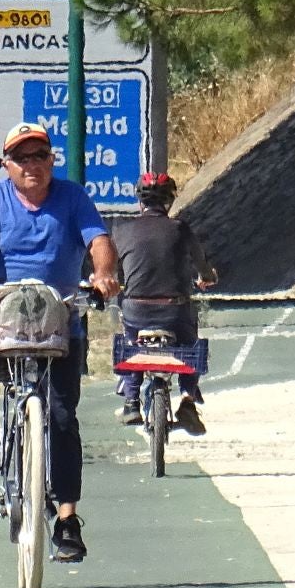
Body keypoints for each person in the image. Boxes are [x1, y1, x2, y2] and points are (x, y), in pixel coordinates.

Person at [0, 122, 120, 563]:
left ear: (52, 160)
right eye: (21, 158)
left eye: (40, 156)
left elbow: (98, 241)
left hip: (59, 314)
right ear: (7, 165)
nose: (31, 165)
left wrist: (104, 275)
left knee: (62, 418)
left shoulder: (73, 197)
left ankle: (68, 519)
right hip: (0, 309)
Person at [115, 172, 217, 434]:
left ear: (140, 201)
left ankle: (131, 401)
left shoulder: (122, 231)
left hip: (136, 309)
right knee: (190, 343)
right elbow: (201, 263)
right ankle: (188, 398)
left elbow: (115, 271)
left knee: (131, 342)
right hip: (174, 311)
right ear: (169, 201)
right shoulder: (180, 229)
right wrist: (207, 277)